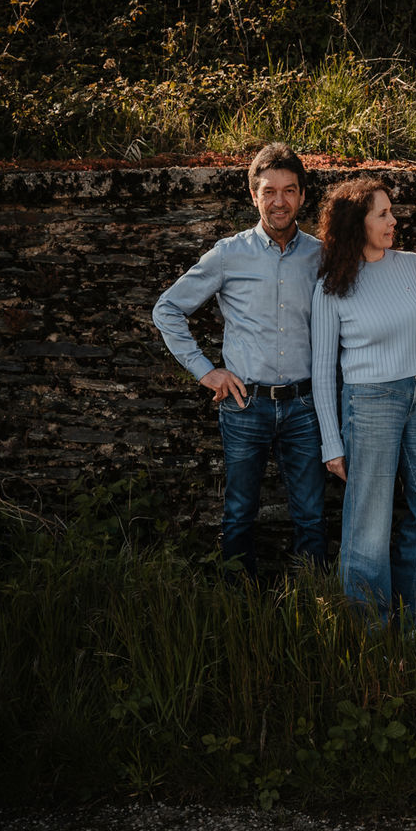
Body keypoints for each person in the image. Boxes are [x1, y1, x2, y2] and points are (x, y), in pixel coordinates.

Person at [152, 142, 327, 579]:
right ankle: (238, 605)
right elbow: (167, 309)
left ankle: (315, 602)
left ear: (303, 195)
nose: (280, 201)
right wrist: (206, 371)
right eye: (269, 191)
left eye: (289, 190)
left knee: (311, 514)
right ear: (254, 196)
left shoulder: (320, 256)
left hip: (306, 405)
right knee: (239, 512)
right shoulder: (229, 254)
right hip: (245, 403)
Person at [311, 178, 416, 628]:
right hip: (369, 404)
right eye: (383, 214)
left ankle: (407, 618)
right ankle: (370, 631)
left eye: (392, 212)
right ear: (357, 223)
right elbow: (321, 370)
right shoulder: (332, 286)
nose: (394, 221)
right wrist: (331, 444)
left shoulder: (412, 266)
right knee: (369, 527)